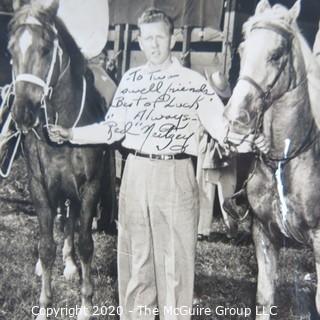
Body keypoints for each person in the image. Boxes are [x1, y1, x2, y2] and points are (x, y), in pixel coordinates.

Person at [48, 8, 264, 319]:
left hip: (176, 175)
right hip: (135, 174)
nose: (153, 45)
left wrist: (250, 142)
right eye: (147, 38)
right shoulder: (131, 80)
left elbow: (221, 129)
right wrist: (72, 133)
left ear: (172, 39)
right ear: (139, 41)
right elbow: (112, 129)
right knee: (138, 259)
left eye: (159, 37)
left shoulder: (193, 83)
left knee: (175, 264)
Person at [196, 70, 237, 241]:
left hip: (218, 149)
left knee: (208, 190)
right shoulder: (229, 106)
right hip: (219, 149)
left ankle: (204, 230)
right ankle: (229, 230)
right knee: (224, 191)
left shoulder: (211, 105)